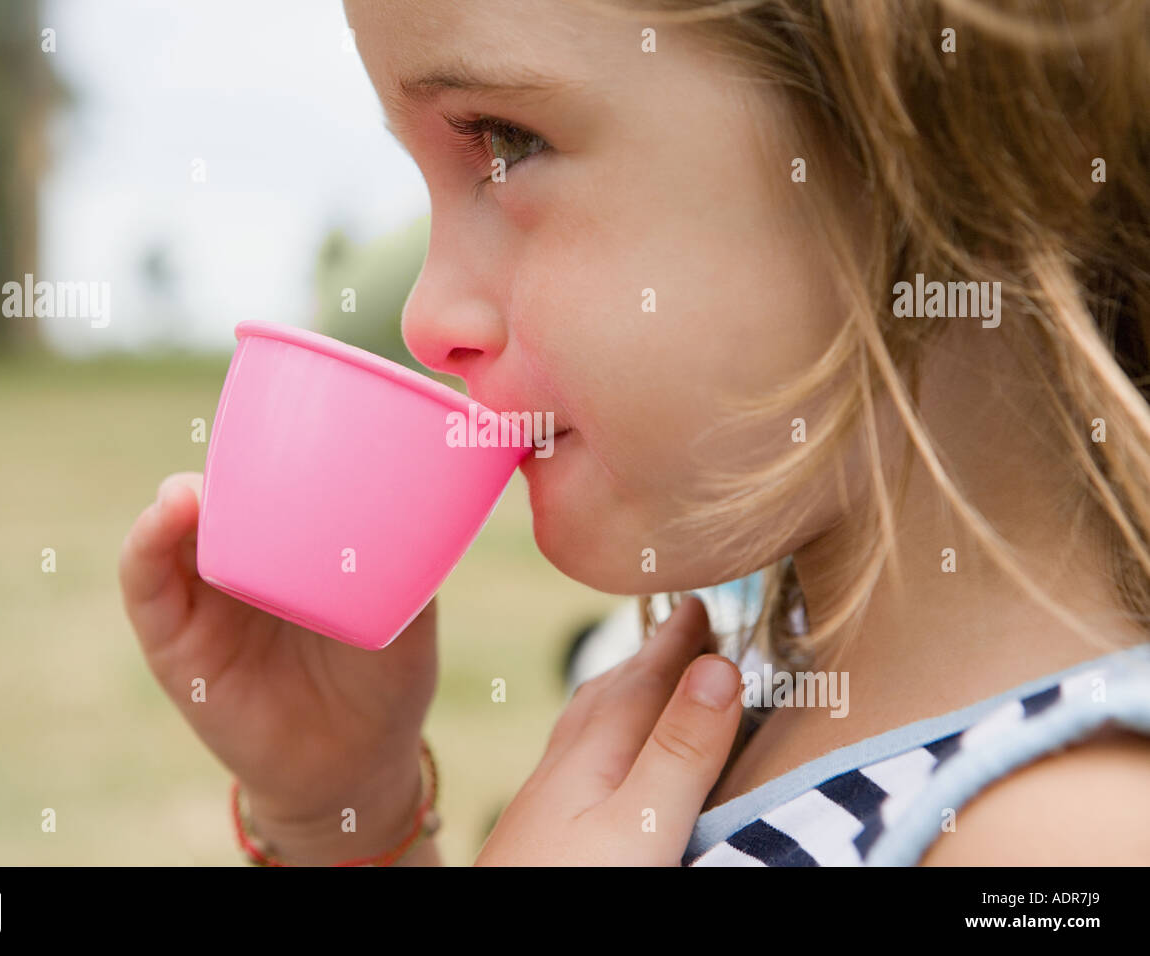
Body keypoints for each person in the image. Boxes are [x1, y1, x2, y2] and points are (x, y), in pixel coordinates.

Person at [119, 0, 1150, 866]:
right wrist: (349, 811)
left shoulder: (1064, 829)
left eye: (505, 142)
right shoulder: (713, 691)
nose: (426, 316)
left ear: (913, 126)